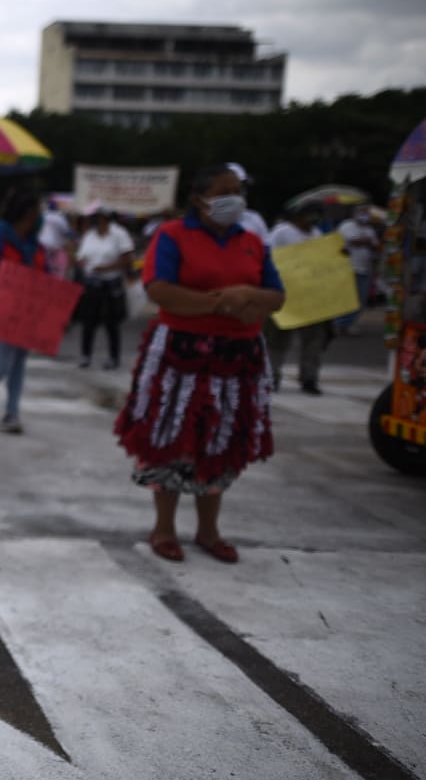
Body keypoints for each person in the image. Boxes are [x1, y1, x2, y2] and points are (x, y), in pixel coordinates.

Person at [114, 163, 284, 565]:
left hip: (238, 356)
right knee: (172, 437)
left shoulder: (253, 242)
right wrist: (221, 302)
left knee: (221, 440)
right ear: (198, 198)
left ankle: (209, 531)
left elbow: (276, 296)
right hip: (181, 355)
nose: (234, 199)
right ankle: (164, 528)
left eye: (238, 190)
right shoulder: (172, 235)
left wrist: (247, 295)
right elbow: (160, 289)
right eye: (224, 190)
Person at [0, 191, 47, 434]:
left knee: (19, 365)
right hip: (3, 311)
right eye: (37, 211)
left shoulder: (35, 245)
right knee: (3, 364)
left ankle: (12, 414)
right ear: (27, 213)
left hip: (27, 313)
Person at [263, 202, 328, 395]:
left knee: (313, 340)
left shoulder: (317, 234)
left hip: (311, 295)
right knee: (277, 339)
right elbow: (270, 257)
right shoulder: (282, 233)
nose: (312, 219)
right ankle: (271, 377)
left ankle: (309, 378)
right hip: (286, 293)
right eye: (309, 215)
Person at [75, 204, 135, 369]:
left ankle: (113, 357)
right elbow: (81, 256)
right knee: (88, 321)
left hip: (111, 283)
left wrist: (106, 268)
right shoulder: (90, 235)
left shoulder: (119, 234)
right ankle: (85, 355)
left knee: (111, 322)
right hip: (92, 283)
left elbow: (127, 258)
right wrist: (82, 264)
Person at [336, 206, 380, 335]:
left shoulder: (369, 229)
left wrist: (367, 242)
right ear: (355, 214)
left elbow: (376, 246)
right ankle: (340, 324)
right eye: (361, 213)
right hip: (349, 269)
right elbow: (352, 241)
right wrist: (366, 241)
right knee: (347, 299)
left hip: (365, 269)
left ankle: (347, 324)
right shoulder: (346, 226)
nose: (364, 216)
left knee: (361, 300)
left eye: (366, 214)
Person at [227, 163, 270, 242]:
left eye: (241, 187)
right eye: (228, 189)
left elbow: (266, 250)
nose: (236, 192)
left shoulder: (254, 219)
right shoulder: (207, 223)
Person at [38, 200, 74, 279]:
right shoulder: (59, 217)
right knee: (55, 270)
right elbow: (67, 232)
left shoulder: (44, 215)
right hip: (54, 248)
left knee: (44, 269)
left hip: (41, 244)